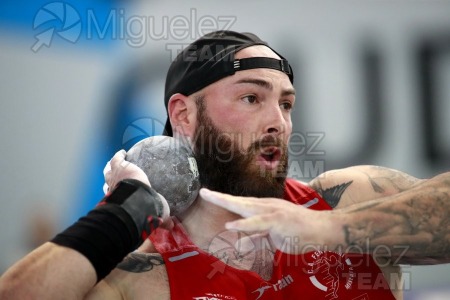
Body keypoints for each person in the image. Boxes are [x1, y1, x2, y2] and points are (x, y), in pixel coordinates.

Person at [0, 30, 449, 300]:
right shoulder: (147, 277)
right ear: (184, 116)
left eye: (287, 104)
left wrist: (329, 231)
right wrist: (125, 214)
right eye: (251, 98)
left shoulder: (346, 200)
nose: (278, 122)